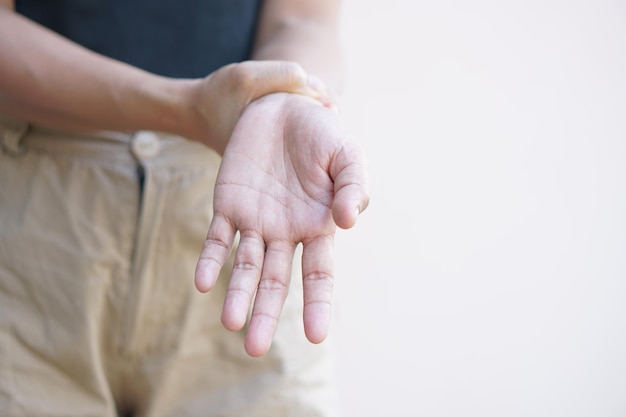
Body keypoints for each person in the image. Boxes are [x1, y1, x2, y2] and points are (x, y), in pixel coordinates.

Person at [0, 0, 369, 416]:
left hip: (247, 204)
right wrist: (183, 107)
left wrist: (290, 99)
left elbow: (303, 18)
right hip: (37, 222)